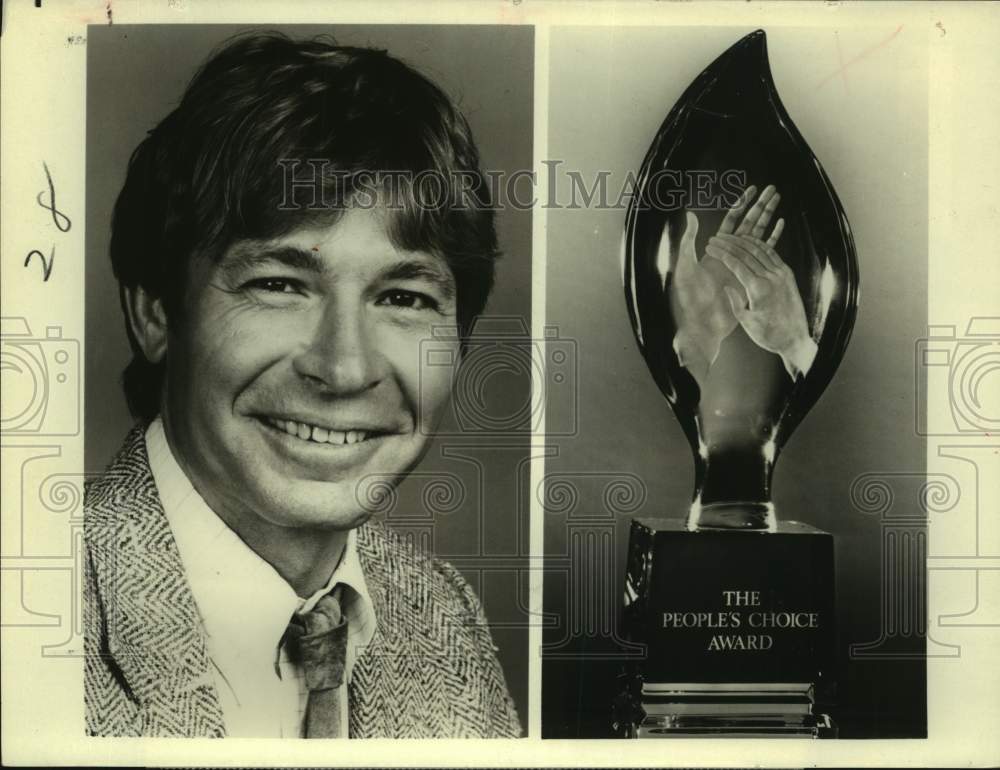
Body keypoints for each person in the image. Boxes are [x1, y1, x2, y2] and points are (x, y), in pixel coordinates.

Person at [84, 32, 520, 739]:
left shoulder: (444, 616)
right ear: (155, 312)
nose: (343, 369)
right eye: (279, 285)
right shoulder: (35, 609)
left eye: (403, 298)